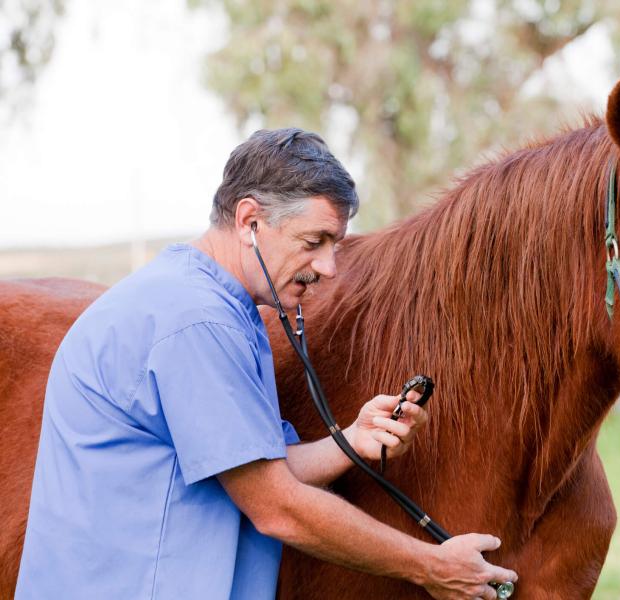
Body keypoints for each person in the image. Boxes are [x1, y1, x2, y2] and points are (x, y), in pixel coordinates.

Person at [15, 128, 517, 600]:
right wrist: (431, 566)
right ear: (250, 221)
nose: (329, 267)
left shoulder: (207, 303)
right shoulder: (197, 322)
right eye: (313, 242)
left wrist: (353, 439)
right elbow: (277, 507)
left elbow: (246, 462)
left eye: (335, 245)